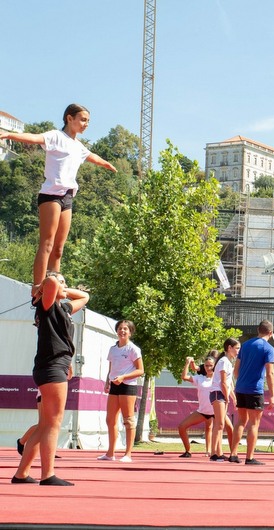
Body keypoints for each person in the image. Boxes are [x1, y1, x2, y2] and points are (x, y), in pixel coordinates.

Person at [0, 104, 117, 296]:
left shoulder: (79, 146)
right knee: (47, 242)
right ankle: (37, 286)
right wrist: (11, 135)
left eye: (88, 121)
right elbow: (35, 138)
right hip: (52, 194)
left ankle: (54, 282)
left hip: (68, 196)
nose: (85, 124)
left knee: (59, 248)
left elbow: (92, 156)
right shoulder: (56, 136)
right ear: (69, 118)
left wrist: (107, 163)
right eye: (82, 119)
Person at [12, 273, 88, 486]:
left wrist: (63, 289)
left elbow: (84, 297)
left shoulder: (62, 308)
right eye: (60, 282)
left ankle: (21, 473)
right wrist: (47, 285)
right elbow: (51, 282)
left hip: (54, 367)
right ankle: (48, 474)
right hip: (51, 368)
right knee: (53, 423)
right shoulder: (46, 305)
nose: (63, 286)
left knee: (45, 425)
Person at [229, 321, 274, 465]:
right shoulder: (268, 348)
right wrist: (272, 395)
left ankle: (233, 454)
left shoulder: (246, 345)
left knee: (240, 421)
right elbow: (270, 373)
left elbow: (236, 370)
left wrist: (242, 380)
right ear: (271, 333)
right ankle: (249, 457)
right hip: (255, 389)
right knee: (254, 424)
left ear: (258, 330)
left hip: (241, 388)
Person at [98, 320, 144, 463]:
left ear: (130, 332)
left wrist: (124, 377)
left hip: (128, 385)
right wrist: (108, 382)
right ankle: (110, 453)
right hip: (114, 386)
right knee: (110, 419)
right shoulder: (113, 349)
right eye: (120, 328)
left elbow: (140, 370)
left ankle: (128, 454)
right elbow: (111, 368)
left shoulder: (133, 349)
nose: (122, 331)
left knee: (128, 420)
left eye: (125, 329)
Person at [177, 353, 233, 458]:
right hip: (203, 412)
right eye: (206, 365)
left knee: (230, 428)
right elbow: (184, 376)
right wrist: (187, 363)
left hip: (217, 411)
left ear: (215, 366)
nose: (208, 368)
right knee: (181, 426)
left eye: (211, 365)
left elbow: (228, 387)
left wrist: (234, 400)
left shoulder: (218, 378)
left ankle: (232, 454)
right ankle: (188, 451)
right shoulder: (200, 378)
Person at [208, 338, 240, 462]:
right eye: (236, 348)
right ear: (229, 348)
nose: (238, 351)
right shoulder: (223, 361)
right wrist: (227, 397)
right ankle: (213, 453)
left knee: (221, 424)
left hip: (222, 394)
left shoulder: (228, 362)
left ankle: (219, 452)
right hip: (218, 394)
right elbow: (222, 383)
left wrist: (234, 398)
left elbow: (229, 384)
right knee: (219, 424)